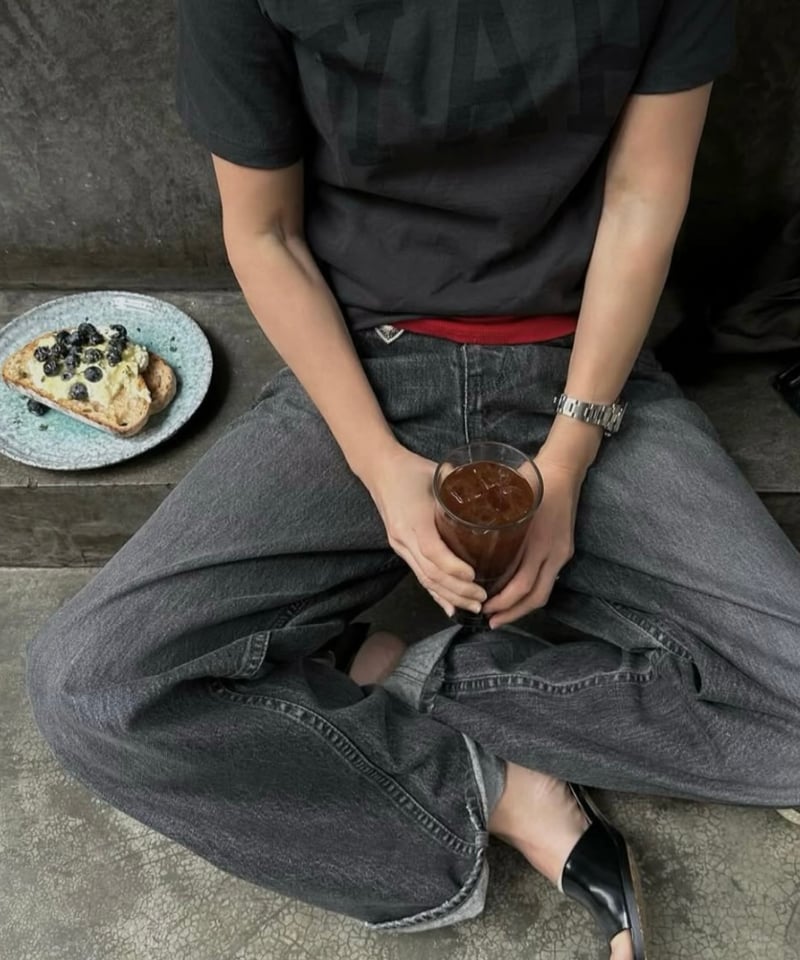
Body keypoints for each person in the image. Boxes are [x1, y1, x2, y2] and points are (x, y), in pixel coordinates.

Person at [26, 2, 800, 959]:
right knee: (94, 688)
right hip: (367, 369)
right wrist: (378, 463)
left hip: (585, 369)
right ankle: (490, 788)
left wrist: (569, 455)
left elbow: (644, 197)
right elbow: (264, 234)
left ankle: (412, 675)